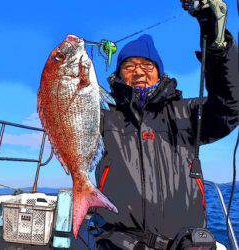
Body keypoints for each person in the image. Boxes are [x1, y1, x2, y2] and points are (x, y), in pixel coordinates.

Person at [85, 3, 239, 250]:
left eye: (147, 66)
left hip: (185, 244)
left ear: (159, 73)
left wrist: (216, 42)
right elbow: (67, 124)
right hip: (118, 243)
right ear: (118, 75)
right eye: (129, 66)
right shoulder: (104, 119)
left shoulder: (186, 112)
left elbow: (230, 104)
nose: (138, 72)